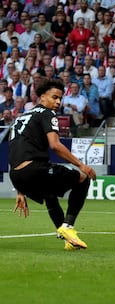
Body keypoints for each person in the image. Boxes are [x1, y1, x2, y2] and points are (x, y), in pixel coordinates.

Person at [8, 80, 96, 250]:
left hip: (16, 175)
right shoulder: (47, 114)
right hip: (34, 169)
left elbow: (14, 150)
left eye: (60, 99)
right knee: (83, 178)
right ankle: (68, 227)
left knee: (50, 194)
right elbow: (55, 145)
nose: (57, 102)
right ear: (42, 97)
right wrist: (81, 165)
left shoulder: (21, 117)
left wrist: (20, 189)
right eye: (54, 97)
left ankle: (68, 240)